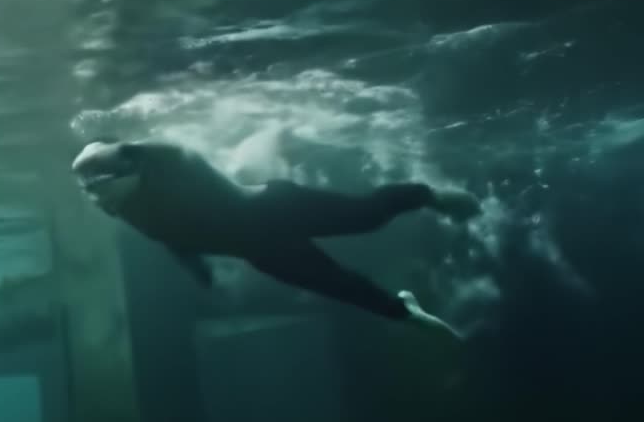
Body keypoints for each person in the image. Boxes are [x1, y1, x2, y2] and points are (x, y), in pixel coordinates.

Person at [70, 137, 482, 342]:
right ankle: (403, 311)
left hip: (276, 205)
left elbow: (179, 154)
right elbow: (177, 241)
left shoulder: (170, 165)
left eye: (100, 176)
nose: (94, 188)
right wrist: (200, 273)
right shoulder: (134, 212)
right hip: (261, 250)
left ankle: (429, 196)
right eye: (90, 186)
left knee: (366, 217)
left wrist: (129, 149)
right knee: (340, 285)